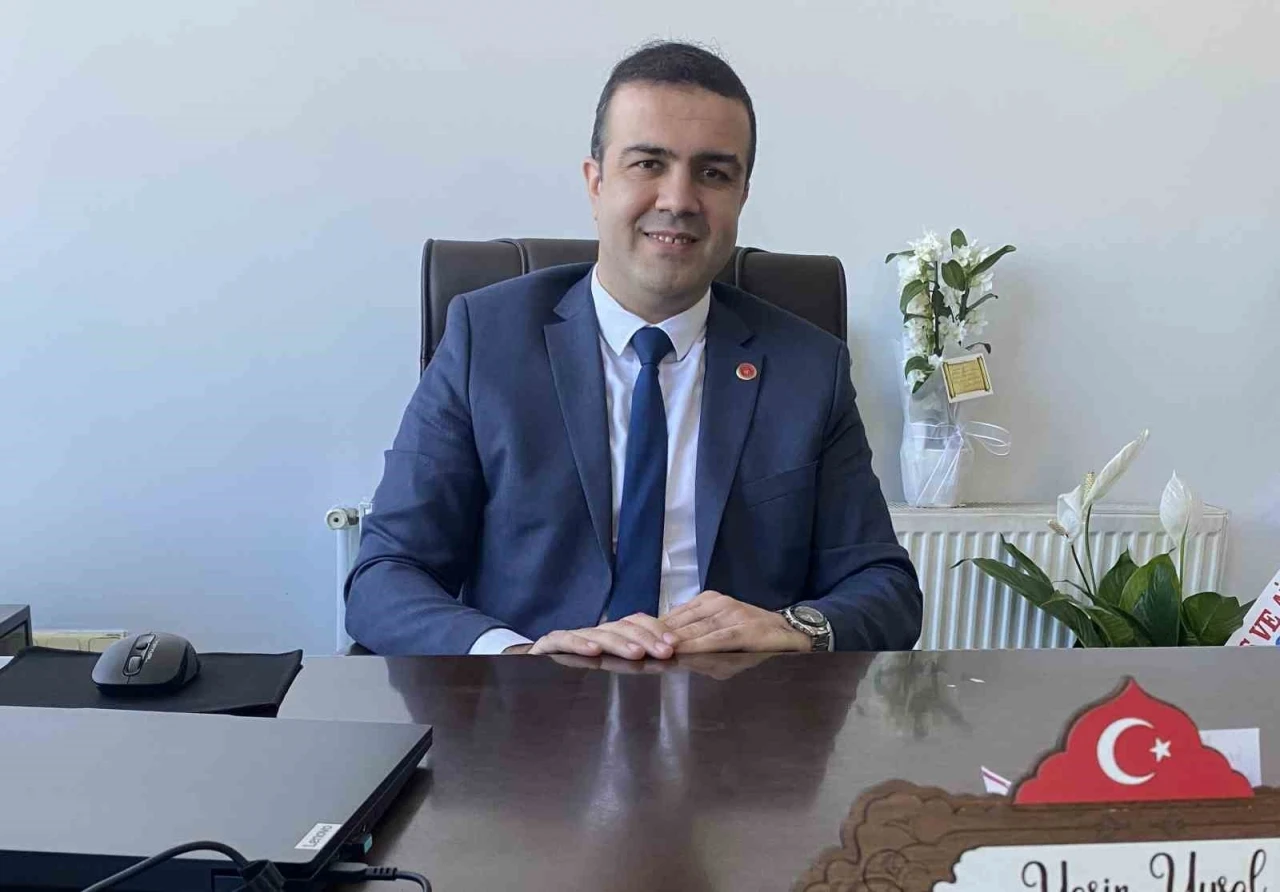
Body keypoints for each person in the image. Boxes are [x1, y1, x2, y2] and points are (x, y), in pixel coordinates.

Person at [345, 41, 922, 657]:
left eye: (713, 173)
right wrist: (517, 658)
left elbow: (886, 589)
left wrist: (794, 627)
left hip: (736, 701)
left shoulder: (808, 367)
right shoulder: (484, 340)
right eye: (648, 164)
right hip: (537, 697)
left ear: (742, 196)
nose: (678, 200)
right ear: (596, 183)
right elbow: (385, 576)